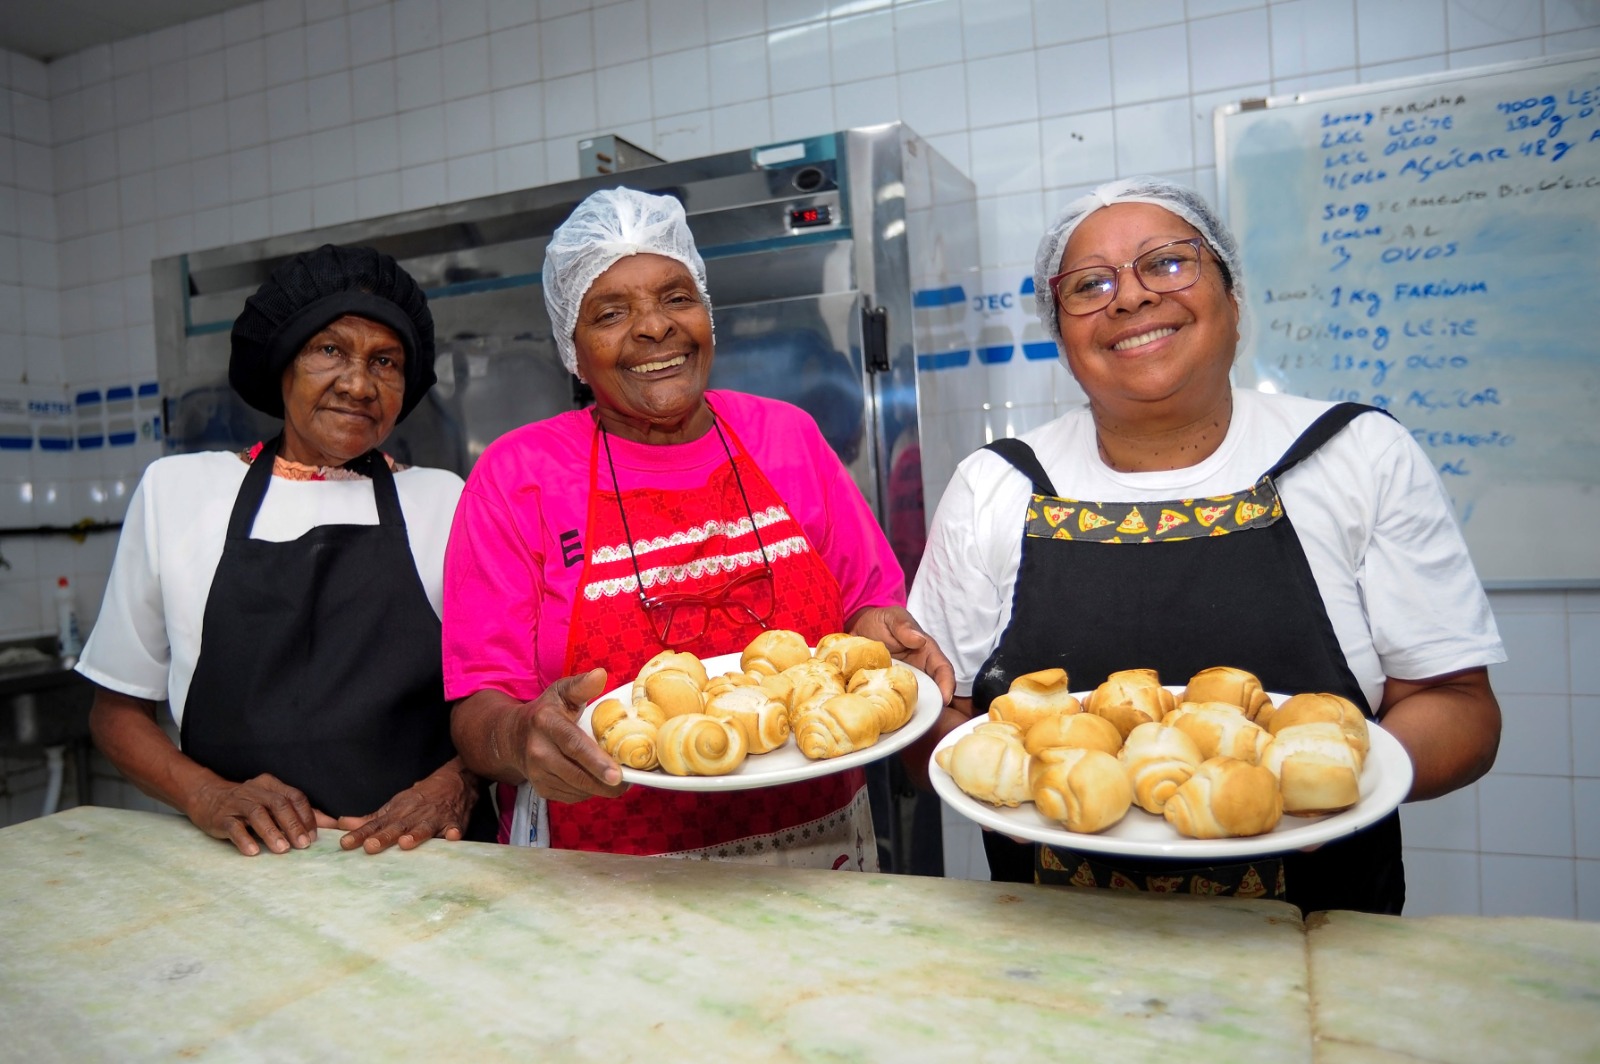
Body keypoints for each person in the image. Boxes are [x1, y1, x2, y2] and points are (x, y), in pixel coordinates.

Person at [907, 177, 1504, 914]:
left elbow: (1460, 708)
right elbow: (936, 725)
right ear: (1060, 336)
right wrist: (989, 771)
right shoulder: (995, 485)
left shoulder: (1354, 452)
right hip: (1060, 953)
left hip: (1322, 945)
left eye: (1167, 263)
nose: (1130, 298)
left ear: (1233, 297)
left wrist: (1336, 785)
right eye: (1090, 284)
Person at [443, 187, 953, 865]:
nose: (654, 328)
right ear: (573, 345)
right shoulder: (518, 476)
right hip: (604, 869)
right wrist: (518, 736)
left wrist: (887, 634)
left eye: (676, 297)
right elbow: (479, 709)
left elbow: (866, 609)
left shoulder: (785, 437)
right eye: (611, 312)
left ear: (707, 311)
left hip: (817, 851)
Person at [80, 244, 486, 856]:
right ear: (283, 364)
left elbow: (503, 701)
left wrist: (454, 786)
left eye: (385, 361)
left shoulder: (444, 501)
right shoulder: (178, 493)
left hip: (419, 864)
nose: (358, 384)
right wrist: (206, 795)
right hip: (242, 873)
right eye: (329, 350)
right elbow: (116, 712)